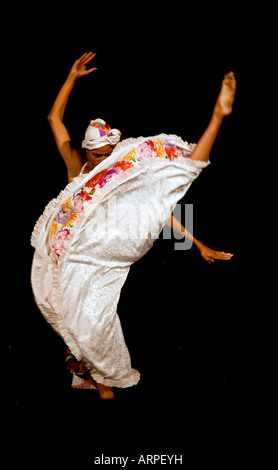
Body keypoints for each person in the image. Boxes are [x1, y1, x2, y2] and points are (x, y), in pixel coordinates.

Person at [31, 52, 236, 399]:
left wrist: (198, 244)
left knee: (169, 180)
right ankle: (97, 377)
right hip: (82, 259)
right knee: (74, 318)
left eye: (106, 154)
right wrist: (71, 77)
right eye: (96, 155)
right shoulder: (76, 167)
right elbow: (54, 118)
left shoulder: (119, 173)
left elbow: (157, 211)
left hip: (115, 247)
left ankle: (217, 118)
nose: (101, 160)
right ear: (86, 151)